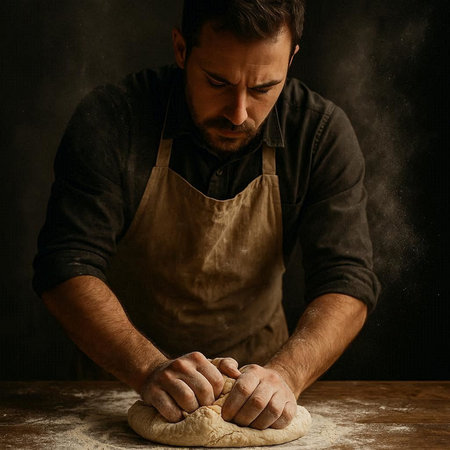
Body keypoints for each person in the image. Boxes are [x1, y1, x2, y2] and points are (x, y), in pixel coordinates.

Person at [33, 0, 380, 431]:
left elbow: (347, 280)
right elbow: (66, 264)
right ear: (181, 49)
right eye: (217, 81)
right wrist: (147, 369)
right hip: (116, 390)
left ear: (292, 58)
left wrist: (287, 375)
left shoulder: (320, 135)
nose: (238, 113)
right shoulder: (114, 120)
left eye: (262, 88)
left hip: (263, 401)